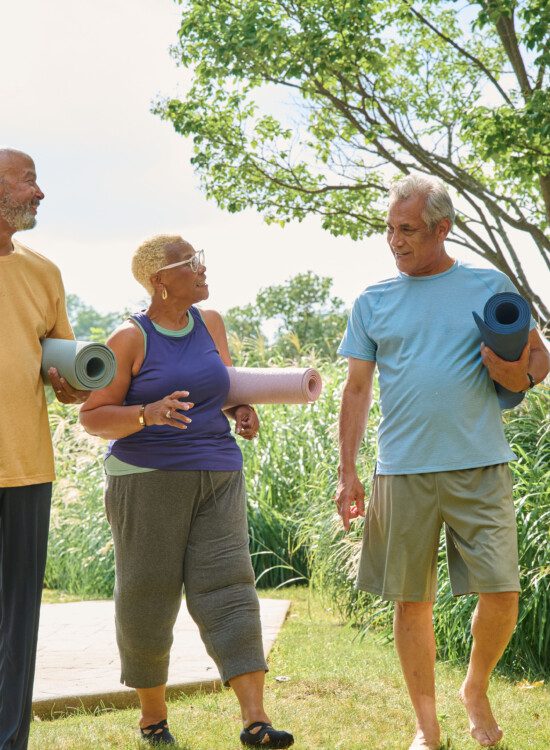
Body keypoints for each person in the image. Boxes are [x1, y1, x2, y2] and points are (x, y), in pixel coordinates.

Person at [335, 174, 549, 750]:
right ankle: (427, 729)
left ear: (442, 229)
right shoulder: (373, 301)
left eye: (406, 230)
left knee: (503, 590)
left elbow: (535, 359)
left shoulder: (488, 285)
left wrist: (517, 375)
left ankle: (474, 688)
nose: (394, 240)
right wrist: (348, 472)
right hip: (401, 468)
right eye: (389, 229)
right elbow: (355, 390)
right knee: (413, 599)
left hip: (480, 463)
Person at [79, 234, 294, 748]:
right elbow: (92, 416)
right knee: (148, 595)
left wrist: (238, 410)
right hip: (147, 481)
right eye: (190, 263)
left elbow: (219, 390)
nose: (202, 268)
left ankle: (255, 719)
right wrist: (143, 414)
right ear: (160, 280)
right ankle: (153, 719)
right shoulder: (129, 338)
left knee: (230, 585)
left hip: (218, 472)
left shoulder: (210, 323)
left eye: (201, 259)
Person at [0, 148, 90, 750]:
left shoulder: (43, 273)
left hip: (25, 468)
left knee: (16, 624)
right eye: (28, 179)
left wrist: (72, 380)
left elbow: (67, 379)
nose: (39, 192)